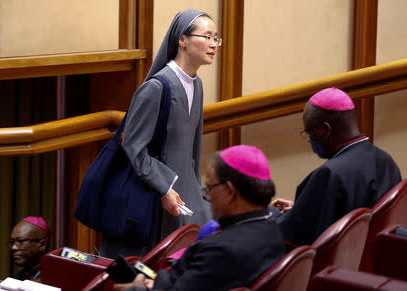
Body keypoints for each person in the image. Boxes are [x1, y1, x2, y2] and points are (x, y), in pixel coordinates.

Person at [100, 9, 220, 258]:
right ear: (182, 40)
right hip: (156, 195)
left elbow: (192, 149)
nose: (213, 44)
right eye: (207, 37)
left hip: (185, 193)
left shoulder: (196, 84)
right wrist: (164, 188)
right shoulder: (156, 87)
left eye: (216, 38)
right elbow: (133, 146)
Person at [114, 145, 286, 291]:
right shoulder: (275, 230)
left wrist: (137, 288)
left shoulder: (220, 250)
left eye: (209, 188)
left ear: (229, 191)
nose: (208, 198)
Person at [272, 87, 402, 248]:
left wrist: (270, 214)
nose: (309, 139)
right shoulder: (385, 160)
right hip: (374, 262)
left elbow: (293, 239)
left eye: (309, 132)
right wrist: (301, 209)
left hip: (334, 270)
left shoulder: (329, 174)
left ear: (325, 130)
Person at [9, 216, 50, 281]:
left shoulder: (55, 276)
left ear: (42, 245)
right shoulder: (15, 278)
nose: (13, 247)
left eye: (21, 241)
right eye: (12, 242)